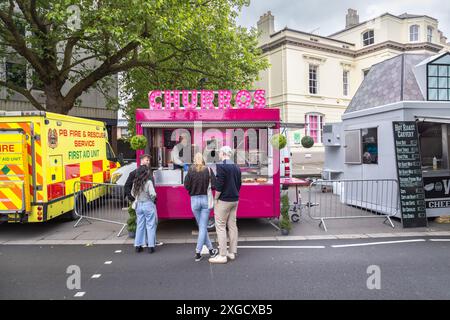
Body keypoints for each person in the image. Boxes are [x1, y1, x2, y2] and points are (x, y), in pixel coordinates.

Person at [209, 146, 241, 264]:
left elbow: (219, 185)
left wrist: (215, 198)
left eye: (220, 153)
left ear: (223, 153)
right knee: (233, 226)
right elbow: (239, 184)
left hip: (223, 200)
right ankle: (232, 252)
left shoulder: (221, 166)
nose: (219, 155)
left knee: (220, 226)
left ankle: (222, 255)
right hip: (235, 199)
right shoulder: (236, 167)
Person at [184, 153, 219, 262]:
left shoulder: (190, 170)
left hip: (194, 201)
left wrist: (192, 190)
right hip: (205, 200)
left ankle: (211, 250)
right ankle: (198, 252)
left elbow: (186, 185)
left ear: (194, 160)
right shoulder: (208, 170)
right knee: (203, 227)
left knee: (202, 227)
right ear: (203, 160)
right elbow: (214, 185)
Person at [124, 154, 163, 247]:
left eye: (149, 160)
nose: (148, 162)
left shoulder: (148, 172)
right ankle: (149, 242)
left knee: (148, 222)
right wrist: (132, 198)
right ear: (141, 160)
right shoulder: (135, 172)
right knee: (150, 223)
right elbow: (127, 186)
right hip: (147, 202)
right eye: (146, 160)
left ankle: (148, 241)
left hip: (147, 201)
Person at [132, 166, 158, 253]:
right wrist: (153, 200)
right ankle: (151, 246)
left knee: (140, 225)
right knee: (150, 225)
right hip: (148, 204)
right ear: (145, 173)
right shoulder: (149, 182)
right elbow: (153, 194)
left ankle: (137, 245)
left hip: (139, 205)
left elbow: (132, 193)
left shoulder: (135, 182)